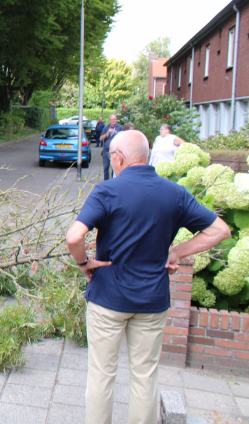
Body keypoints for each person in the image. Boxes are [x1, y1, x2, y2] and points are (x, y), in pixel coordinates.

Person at [66, 130, 230, 424]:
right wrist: (177, 252)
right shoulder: (174, 192)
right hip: (152, 301)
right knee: (145, 376)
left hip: (107, 299)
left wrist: (84, 262)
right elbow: (220, 230)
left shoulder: (107, 191)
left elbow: (74, 236)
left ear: (118, 158)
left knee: (102, 375)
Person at [99, 114, 122, 180]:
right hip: (106, 149)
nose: (113, 121)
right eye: (112, 119)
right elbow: (100, 138)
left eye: (114, 119)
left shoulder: (119, 127)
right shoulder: (106, 128)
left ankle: (113, 181)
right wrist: (107, 133)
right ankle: (106, 181)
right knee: (106, 167)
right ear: (109, 120)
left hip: (116, 150)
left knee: (114, 167)